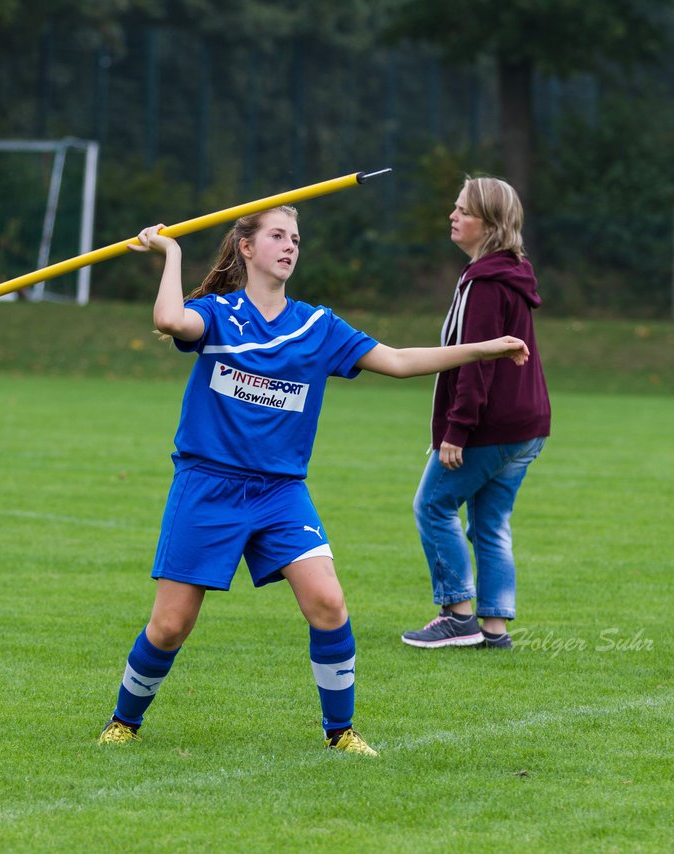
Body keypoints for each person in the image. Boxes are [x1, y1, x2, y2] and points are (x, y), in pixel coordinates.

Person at [96, 204, 531, 755]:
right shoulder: (218, 315)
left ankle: (340, 733)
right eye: (277, 236)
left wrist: (485, 349)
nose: (290, 246)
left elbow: (397, 360)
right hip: (208, 486)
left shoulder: (317, 326)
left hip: (280, 493)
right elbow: (168, 320)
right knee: (170, 626)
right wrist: (172, 253)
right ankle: (123, 721)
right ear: (245, 248)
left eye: (296, 239)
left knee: (328, 602)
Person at [401, 176, 551, 651]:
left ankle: (457, 614)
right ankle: (494, 629)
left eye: (463, 210)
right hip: (527, 425)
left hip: (492, 426)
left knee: (432, 505)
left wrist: (457, 430)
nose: (453, 215)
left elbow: (476, 360)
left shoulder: (486, 282)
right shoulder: (511, 273)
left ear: (489, 225)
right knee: (489, 522)